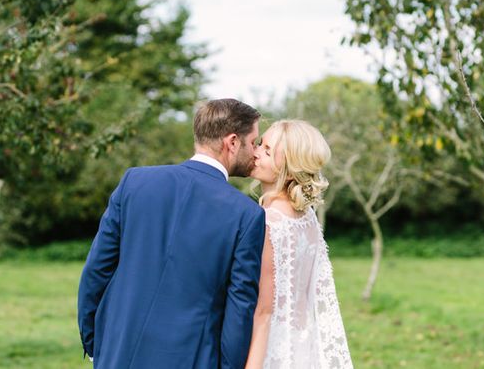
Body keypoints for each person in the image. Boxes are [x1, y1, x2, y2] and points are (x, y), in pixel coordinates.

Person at [78, 98, 266, 369]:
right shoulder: (246, 214)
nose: (256, 152)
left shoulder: (135, 182)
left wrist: (96, 343)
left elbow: (97, 271)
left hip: (118, 353)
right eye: (253, 142)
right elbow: (240, 308)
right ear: (232, 142)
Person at [245, 119, 353, 369]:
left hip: (272, 349)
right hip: (305, 345)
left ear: (290, 167)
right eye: (260, 144)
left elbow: (263, 311)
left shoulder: (269, 222)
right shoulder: (307, 219)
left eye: (268, 151)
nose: (256, 152)